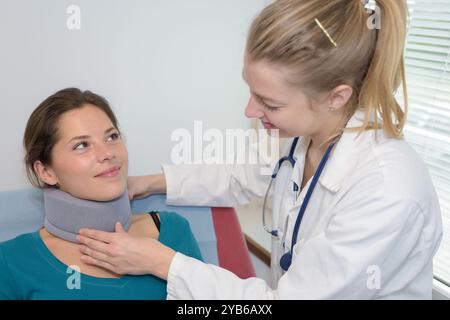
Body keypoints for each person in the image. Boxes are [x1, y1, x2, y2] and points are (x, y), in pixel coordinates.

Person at [77, 0, 443, 299]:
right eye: (250, 90)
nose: (250, 111)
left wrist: (163, 263)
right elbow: (242, 175)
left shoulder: (387, 192)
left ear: (336, 97)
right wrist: (151, 182)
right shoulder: (305, 134)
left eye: (270, 103)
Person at [0, 88, 202, 300]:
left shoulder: (173, 231)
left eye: (112, 136)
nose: (108, 153)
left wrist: (160, 262)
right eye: (81, 145)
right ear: (45, 172)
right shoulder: (11, 261)